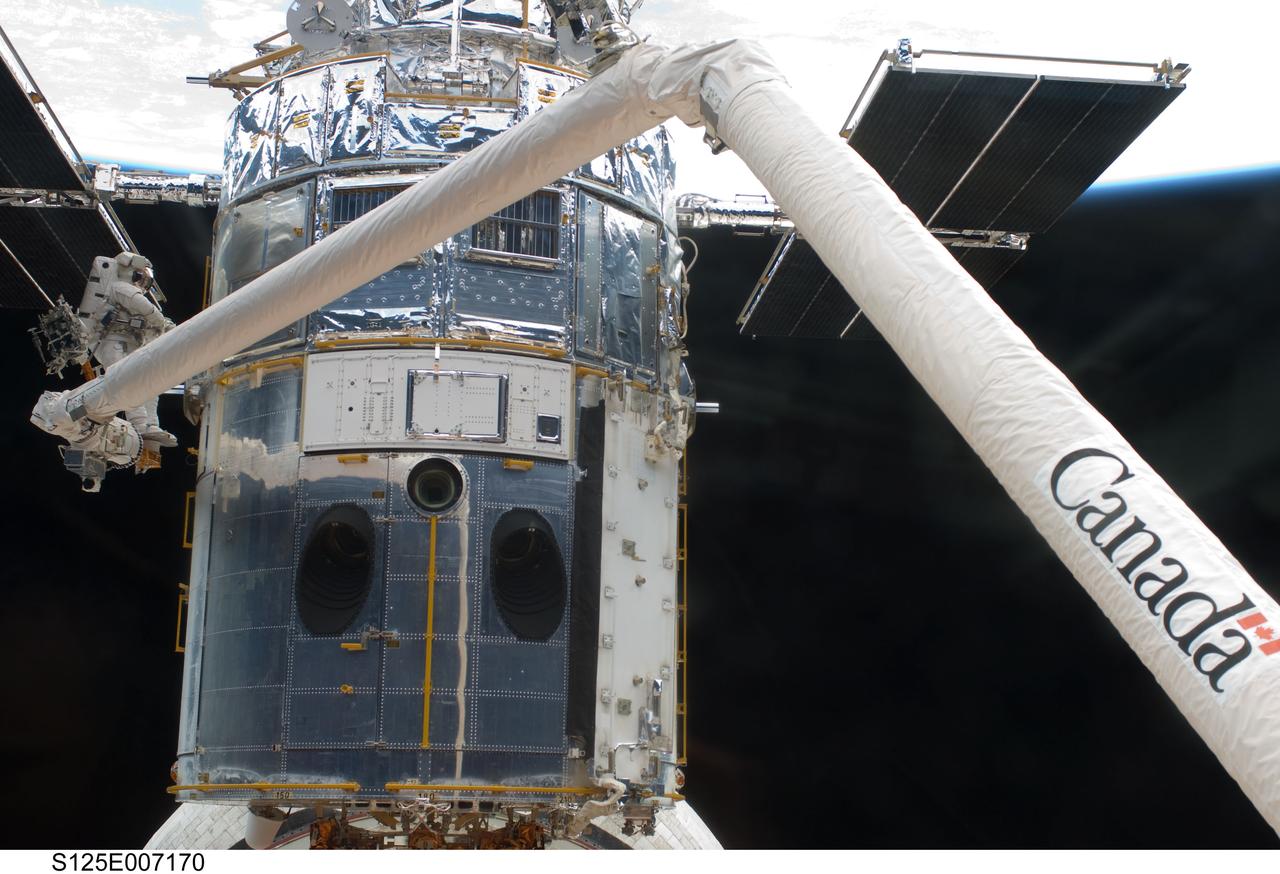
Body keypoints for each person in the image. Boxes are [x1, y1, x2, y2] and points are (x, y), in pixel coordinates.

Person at [77, 252, 177, 447]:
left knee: (150, 382)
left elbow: (152, 320)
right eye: (142, 279)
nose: (144, 285)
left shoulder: (127, 292)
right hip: (112, 343)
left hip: (131, 343)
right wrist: (159, 321)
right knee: (129, 380)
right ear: (132, 274)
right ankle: (139, 424)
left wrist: (167, 327)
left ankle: (151, 425)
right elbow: (146, 308)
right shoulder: (120, 288)